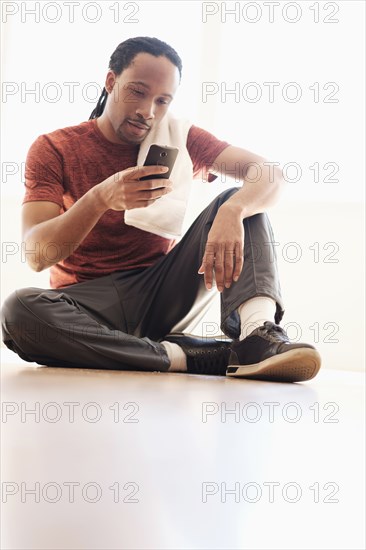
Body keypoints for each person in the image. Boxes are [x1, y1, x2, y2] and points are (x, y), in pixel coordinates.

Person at [1, 36, 321, 382]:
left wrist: (233, 211)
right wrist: (100, 198)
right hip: (87, 307)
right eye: (137, 92)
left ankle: (258, 337)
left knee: (242, 204)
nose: (147, 112)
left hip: (160, 292)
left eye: (162, 100)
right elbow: (37, 254)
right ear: (111, 82)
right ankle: (185, 356)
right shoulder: (55, 147)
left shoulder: (179, 137)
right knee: (18, 311)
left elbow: (268, 174)